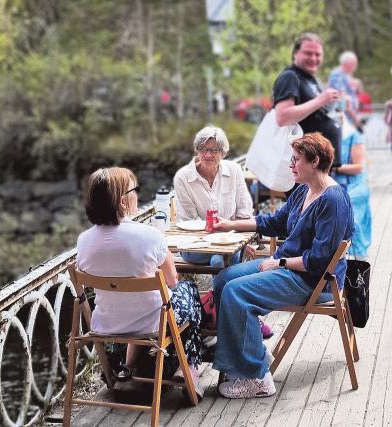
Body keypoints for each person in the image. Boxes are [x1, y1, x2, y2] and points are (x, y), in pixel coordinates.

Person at [211, 133, 354, 399]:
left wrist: (280, 262)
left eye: (296, 159)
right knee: (223, 279)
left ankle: (257, 378)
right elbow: (274, 222)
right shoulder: (304, 190)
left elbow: (319, 261)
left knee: (236, 292)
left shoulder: (333, 201)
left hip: (314, 281)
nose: (291, 164)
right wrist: (230, 224)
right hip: (288, 268)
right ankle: (249, 350)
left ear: (314, 161)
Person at [75, 167, 203, 398]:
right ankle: (190, 367)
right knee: (188, 290)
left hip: (106, 324)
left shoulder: (84, 241)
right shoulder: (150, 235)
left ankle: (127, 368)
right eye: (135, 190)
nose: (138, 195)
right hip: (152, 325)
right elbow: (172, 280)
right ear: (123, 201)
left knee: (137, 302)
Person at [174, 125, 254, 268]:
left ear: (223, 153)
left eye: (214, 150)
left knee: (222, 257)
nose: (207, 155)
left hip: (230, 238)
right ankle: (221, 280)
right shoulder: (183, 177)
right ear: (197, 151)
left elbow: (244, 211)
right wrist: (222, 242)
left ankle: (217, 283)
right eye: (203, 149)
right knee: (225, 255)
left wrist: (240, 240)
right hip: (196, 244)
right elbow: (189, 222)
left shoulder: (234, 170)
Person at [273, 33, 342, 166]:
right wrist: (321, 100)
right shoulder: (290, 76)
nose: (313, 58)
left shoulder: (310, 78)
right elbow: (282, 117)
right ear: (296, 53)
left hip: (319, 165)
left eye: (318, 54)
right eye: (308, 53)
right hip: (303, 167)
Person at [333, 123, 372, 258]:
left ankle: (358, 257)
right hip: (335, 182)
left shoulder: (353, 135)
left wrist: (334, 168)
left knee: (349, 208)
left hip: (354, 184)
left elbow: (359, 167)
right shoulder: (326, 133)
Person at [328, 51, 363, 131]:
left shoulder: (346, 75)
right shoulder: (337, 75)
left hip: (349, 119)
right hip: (344, 119)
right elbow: (343, 99)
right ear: (348, 63)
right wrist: (356, 120)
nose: (356, 66)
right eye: (354, 63)